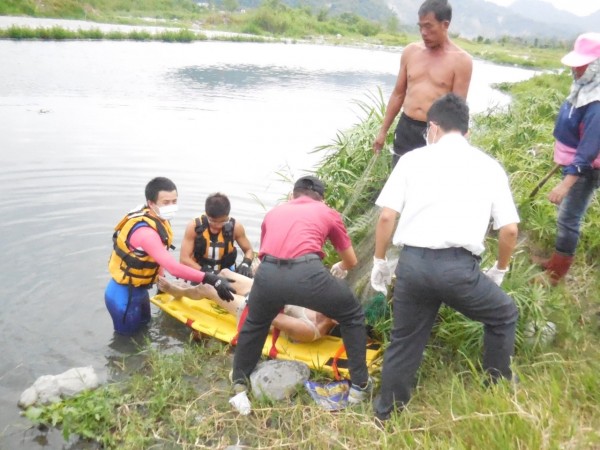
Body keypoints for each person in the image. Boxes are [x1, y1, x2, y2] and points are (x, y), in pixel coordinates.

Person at [370, 93, 520, 421]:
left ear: (433, 127)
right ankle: (496, 384)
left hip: (413, 266)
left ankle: (386, 412)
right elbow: (509, 230)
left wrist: (379, 262)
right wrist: (500, 269)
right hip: (458, 269)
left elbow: (386, 217)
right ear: (466, 133)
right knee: (504, 315)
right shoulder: (489, 167)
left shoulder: (412, 160)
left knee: (406, 338)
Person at [230, 175, 372, 403]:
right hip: (308, 274)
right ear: (321, 198)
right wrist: (341, 266)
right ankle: (359, 386)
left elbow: (268, 250)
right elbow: (351, 260)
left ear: (293, 194)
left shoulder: (274, 212)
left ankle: (239, 381)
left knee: (256, 322)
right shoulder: (327, 212)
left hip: (267, 274)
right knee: (352, 315)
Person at [105, 177, 236, 336]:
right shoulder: (146, 233)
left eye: (174, 201)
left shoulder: (159, 220)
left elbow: (156, 258)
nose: (171, 206)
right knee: (126, 345)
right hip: (123, 298)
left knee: (144, 333)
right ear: (151, 203)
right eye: (166, 202)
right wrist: (212, 278)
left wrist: (161, 281)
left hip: (139, 292)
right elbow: (173, 268)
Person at [372, 0, 472, 167]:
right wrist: (383, 131)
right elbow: (398, 94)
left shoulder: (461, 61)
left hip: (435, 132)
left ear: (445, 25)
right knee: (399, 175)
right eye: (420, 27)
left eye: (429, 26)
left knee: (429, 182)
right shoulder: (410, 52)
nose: (424, 33)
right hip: (406, 127)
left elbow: (457, 109)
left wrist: (454, 142)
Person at [537, 33, 600, 286]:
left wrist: (565, 183)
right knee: (567, 216)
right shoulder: (584, 88)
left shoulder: (597, 103)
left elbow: (588, 149)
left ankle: (556, 274)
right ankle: (555, 262)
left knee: (568, 218)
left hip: (584, 170)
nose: (575, 68)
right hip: (575, 165)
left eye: (582, 64)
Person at [157, 272, 337, 343]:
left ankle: (177, 292)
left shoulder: (308, 329)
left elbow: (265, 312)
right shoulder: (323, 307)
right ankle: (192, 286)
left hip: (259, 315)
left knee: (209, 289)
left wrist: (258, 292)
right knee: (225, 275)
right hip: (281, 303)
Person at [180, 192, 255, 278]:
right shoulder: (194, 227)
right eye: (213, 221)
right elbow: (184, 259)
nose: (218, 225)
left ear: (227, 215)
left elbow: (249, 250)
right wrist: (209, 273)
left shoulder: (236, 227)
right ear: (206, 214)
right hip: (200, 273)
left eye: (223, 221)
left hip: (227, 273)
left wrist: (246, 263)